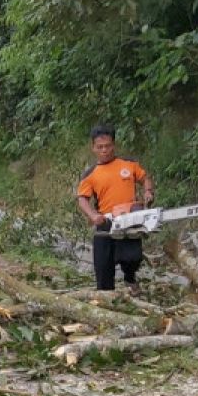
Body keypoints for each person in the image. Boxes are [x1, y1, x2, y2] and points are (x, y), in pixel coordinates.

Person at [76, 123, 155, 292]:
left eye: (108, 146)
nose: (104, 150)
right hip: (106, 221)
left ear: (114, 145)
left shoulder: (128, 164)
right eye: (100, 147)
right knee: (103, 268)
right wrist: (92, 215)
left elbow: (145, 178)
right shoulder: (90, 174)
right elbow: (82, 199)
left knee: (132, 257)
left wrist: (148, 191)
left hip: (129, 218)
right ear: (93, 148)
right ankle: (107, 301)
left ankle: (130, 278)